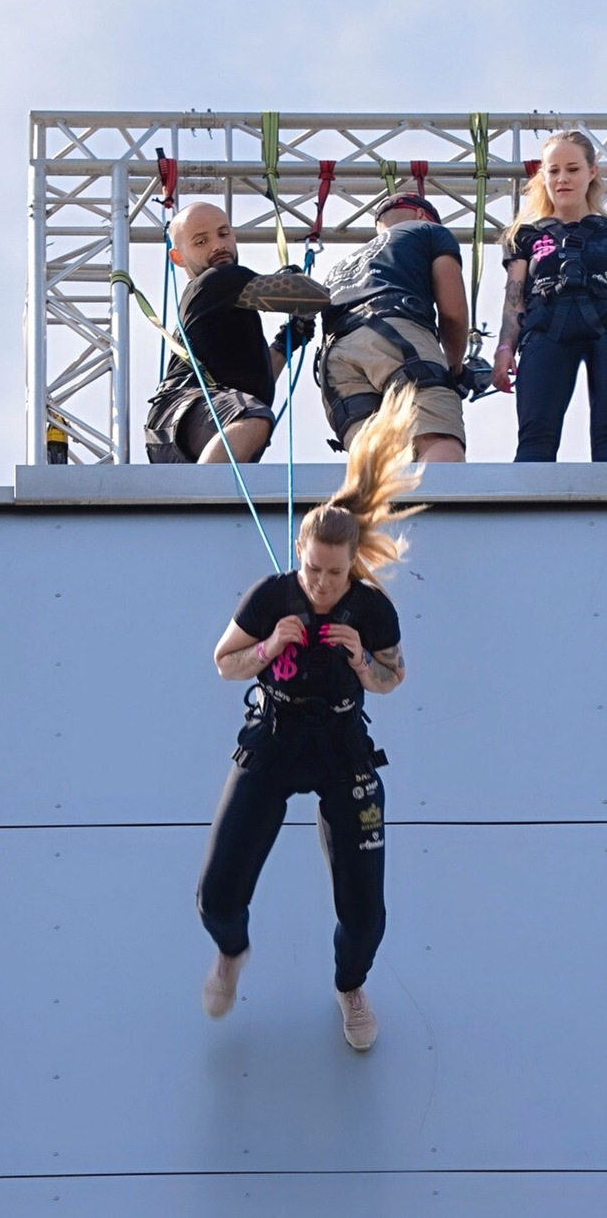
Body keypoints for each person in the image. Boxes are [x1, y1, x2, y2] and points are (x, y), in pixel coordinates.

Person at [197, 386, 421, 1051]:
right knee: (216, 894)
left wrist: (361, 664)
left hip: (342, 745)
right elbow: (222, 662)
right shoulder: (272, 594)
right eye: (313, 568)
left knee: (365, 912)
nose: (321, 584)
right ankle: (231, 954)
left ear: (353, 564)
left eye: (333, 573)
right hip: (274, 735)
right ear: (300, 550)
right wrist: (269, 646)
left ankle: (351, 987)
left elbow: (394, 677)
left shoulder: (372, 609)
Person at [144, 202, 329, 463]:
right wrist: (290, 281)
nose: (217, 246)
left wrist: (288, 340)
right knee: (252, 417)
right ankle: (209, 501)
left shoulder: (217, 308)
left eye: (223, 233)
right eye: (200, 241)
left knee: (253, 412)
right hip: (186, 411)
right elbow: (313, 295)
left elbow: (257, 382)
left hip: (179, 429)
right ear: (178, 257)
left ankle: (207, 496)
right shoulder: (217, 279)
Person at [318, 192, 469, 461]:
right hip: (394, 335)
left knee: (377, 467)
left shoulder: (342, 265)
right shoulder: (428, 230)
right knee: (437, 440)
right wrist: (454, 367)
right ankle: (440, 504)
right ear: (423, 214)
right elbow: (453, 311)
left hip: (335, 358)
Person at [492, 130, 607, 461]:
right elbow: (514, 298)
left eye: (572, 169)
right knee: (535, 436)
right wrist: (504, 348)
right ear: (543, 175)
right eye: (553, 170)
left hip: (604, 325)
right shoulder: (525, 235)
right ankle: (528, 510)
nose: (562, 179)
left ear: (591, 172)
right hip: (546, 330)